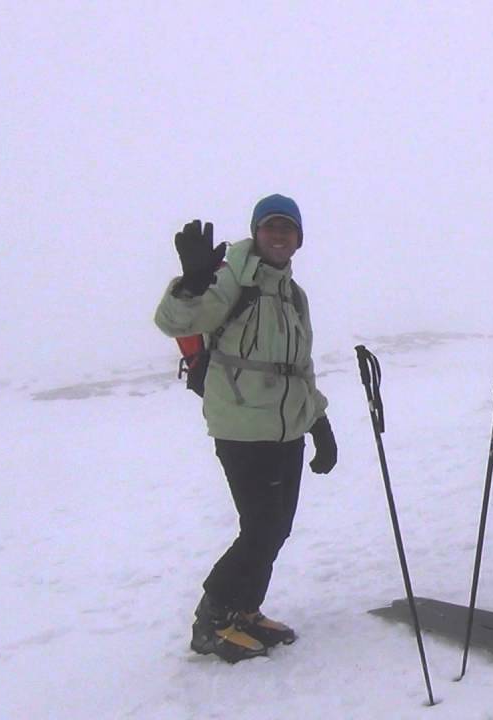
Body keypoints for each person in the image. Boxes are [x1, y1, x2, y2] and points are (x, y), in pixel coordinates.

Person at [154, 194, 337, 661]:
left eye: (287, 228)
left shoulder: (294, 296)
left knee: (277, 528)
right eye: (270, 226)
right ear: (256, 233)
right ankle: (211, 620)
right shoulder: (230, 279)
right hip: (241, 426)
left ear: (299, 239)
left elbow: (300, 366)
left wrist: (318, 421)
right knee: (260, 528)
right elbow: (173, 320)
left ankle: (245, 610)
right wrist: (191, 284)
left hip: (287, 428)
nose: (279, 235)